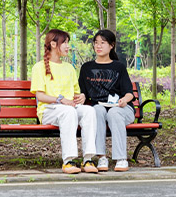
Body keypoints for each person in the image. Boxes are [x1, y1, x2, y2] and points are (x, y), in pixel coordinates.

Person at [31, 29, 98, 174]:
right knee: (68, 112)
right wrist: (61, 100)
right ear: (53, 44)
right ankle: (68, 161)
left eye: (68, 43)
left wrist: (81, 97)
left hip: (69, 109)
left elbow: (75, 94)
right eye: (65, 43)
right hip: (49, 110)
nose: (68, 46)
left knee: (89, 110)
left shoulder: (69, 68)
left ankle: (88, 159)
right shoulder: (39, 67)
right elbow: (40, 96)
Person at [79, 29, 135, 172]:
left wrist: (123, 100)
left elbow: (129, 94)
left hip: (121, 109)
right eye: (96, 43)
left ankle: (121, 159)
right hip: (100, 107)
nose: (98, 46)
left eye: (102, 43)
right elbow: (82, 92)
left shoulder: (119, 67)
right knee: (96, 110)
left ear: (111, 45)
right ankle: (101, 157)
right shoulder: (86, 68)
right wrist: (82, 96)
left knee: (114, 113)